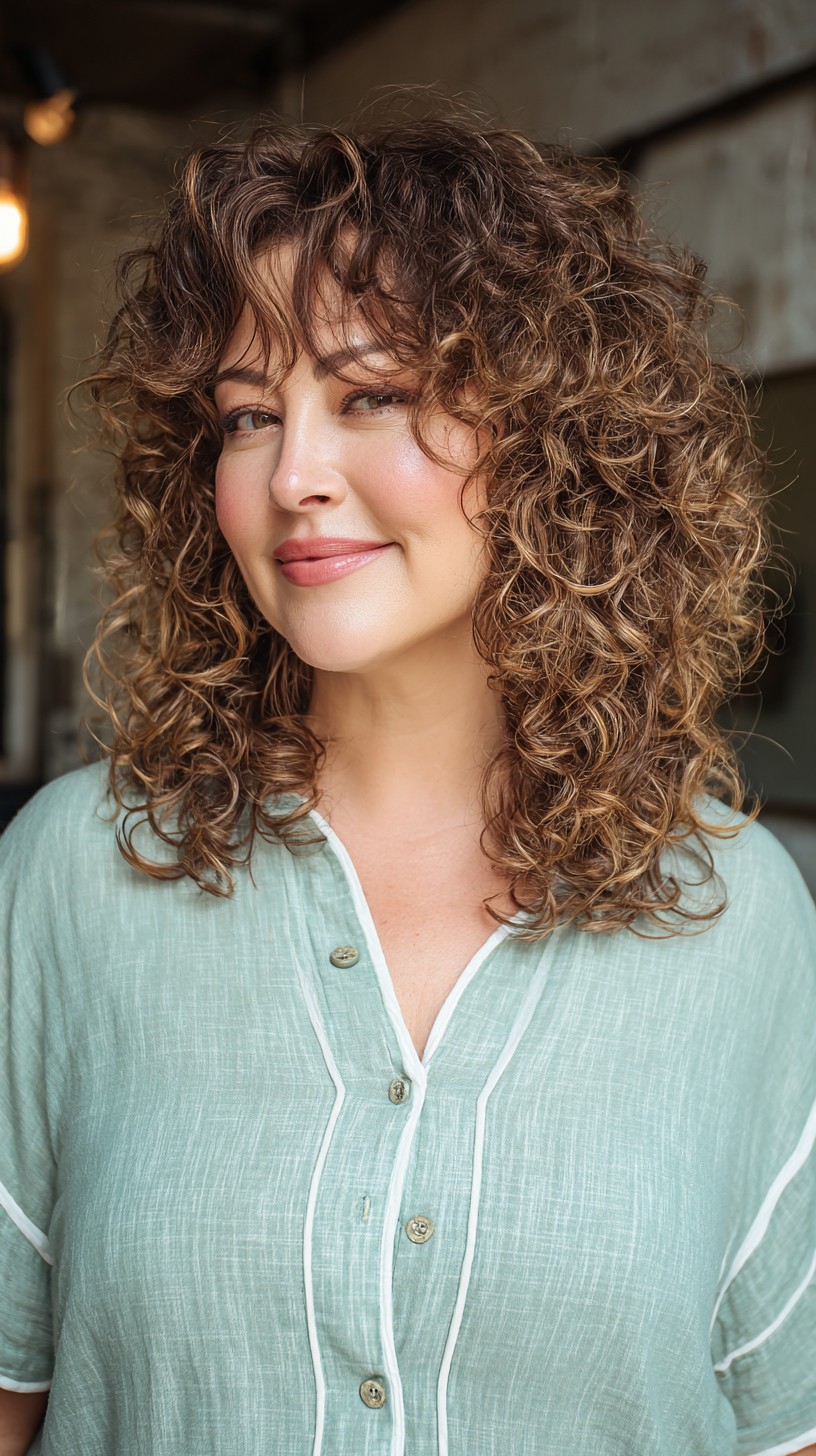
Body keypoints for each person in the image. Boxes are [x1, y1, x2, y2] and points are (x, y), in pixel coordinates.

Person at [1, 99, 814, 1456]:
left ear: (557, 436)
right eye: (248, 416)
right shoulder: (69, 883)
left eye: (372, 394)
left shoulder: (737, 919)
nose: (295, 475)